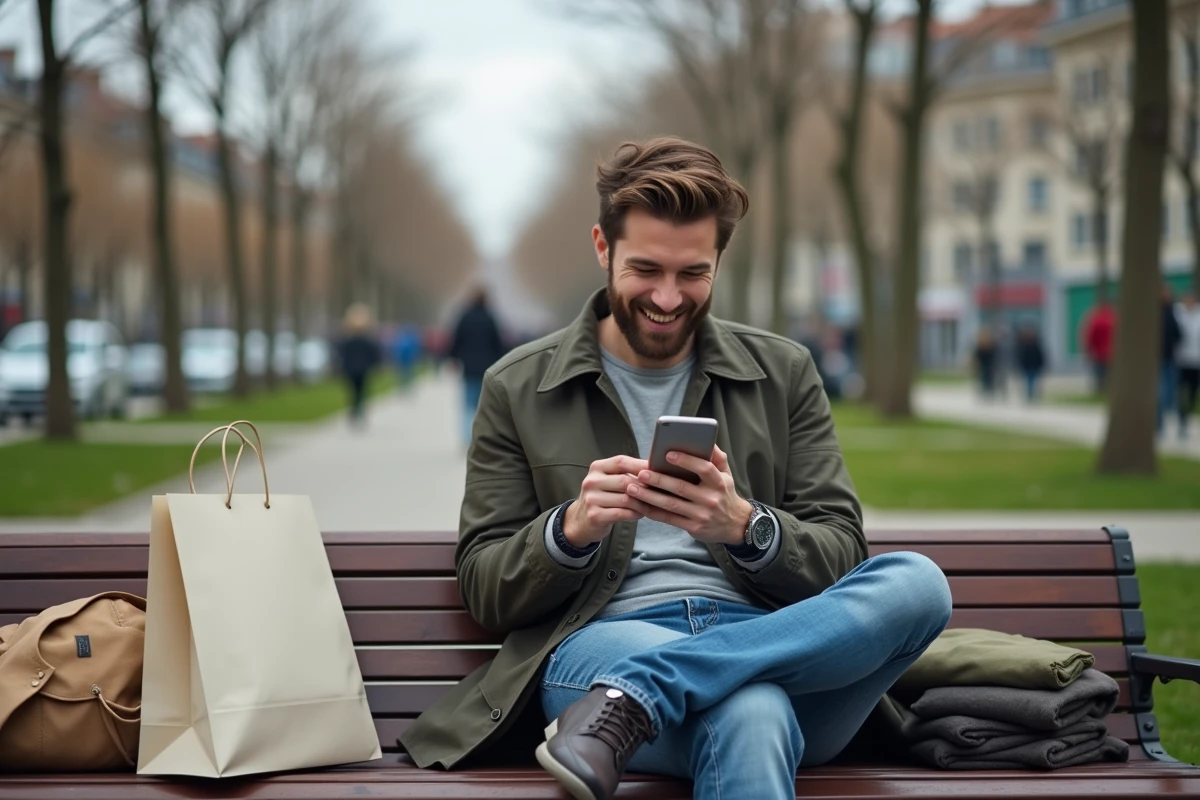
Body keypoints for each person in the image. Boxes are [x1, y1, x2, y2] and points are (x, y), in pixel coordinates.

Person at [398, 137, 952, 800]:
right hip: (602, 648)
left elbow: (842, 555)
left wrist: (748, 526)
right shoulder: (518, 385)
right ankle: (638, 687)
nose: (667, 297)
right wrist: (569, 531)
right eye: (646, 269)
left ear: (718, 260)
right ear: (603, 248)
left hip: (752, 642)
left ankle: (640, 697)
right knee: (753, 710)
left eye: (693, 273)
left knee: (919, 583)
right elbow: (486, 588)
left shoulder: (784, 373)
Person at [447, 286, 507, 446]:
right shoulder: (490, 318)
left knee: (467, 404)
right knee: (484, 404)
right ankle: (482, 437)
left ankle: (467, 437)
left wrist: (453, 358)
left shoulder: (464, 317)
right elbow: (498, 343)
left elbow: (456, 340)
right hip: (488, 367)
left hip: (468, 366)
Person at [337, 303, 382, 427]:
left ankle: (354, 412)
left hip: (351, 370)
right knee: (362, 392)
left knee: (353, 392)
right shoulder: (368, 342)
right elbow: (375, 356)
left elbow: (342, 356)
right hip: (363, 370)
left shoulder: (347, 342)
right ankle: (360, 412)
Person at [1158, 284, 1183, 437]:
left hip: (1170, 357)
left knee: (1171, 389)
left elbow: (1179, 333)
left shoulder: (1173, 311)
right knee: (1161, 390)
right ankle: (1160, 423)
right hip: (1158, 358)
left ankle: (1170, 416)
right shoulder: (1156, 313)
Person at [1176, 290, 1200, 439]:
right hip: (1180, 359)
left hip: (1196, 360)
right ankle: (1181, 416)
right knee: (1179, 389)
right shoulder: (1178, 313)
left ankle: (1188, 411)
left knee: (1193, 389)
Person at [1081, 299, 1115, 395]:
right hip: (1113, 353)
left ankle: (1100, 391)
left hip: (1099, 353)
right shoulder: (1115, 318)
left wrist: (1088, 351)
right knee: (1111, 374)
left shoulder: (1096, 320)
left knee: (1100, 374)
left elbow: (1091, 336)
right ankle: (1110, 391)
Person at [1015, 322, 1047, 403]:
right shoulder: (1023, 344)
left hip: (1034, 365)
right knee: (1029, 380)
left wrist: (1041, 364)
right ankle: (1030, 394)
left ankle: (1031, 394)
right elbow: (1020, 356)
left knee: (1032, 381)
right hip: (1027, 365)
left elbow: (1040, 355)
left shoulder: (1036, 344)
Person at [973, 326, 998, 399]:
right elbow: (977, 356)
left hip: (990, 366)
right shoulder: (980, 346)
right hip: (983, 366)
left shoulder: (992, 345)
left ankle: (989, 393)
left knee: (989, 380)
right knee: (983, 380)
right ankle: (985, 393)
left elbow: (994, 356)